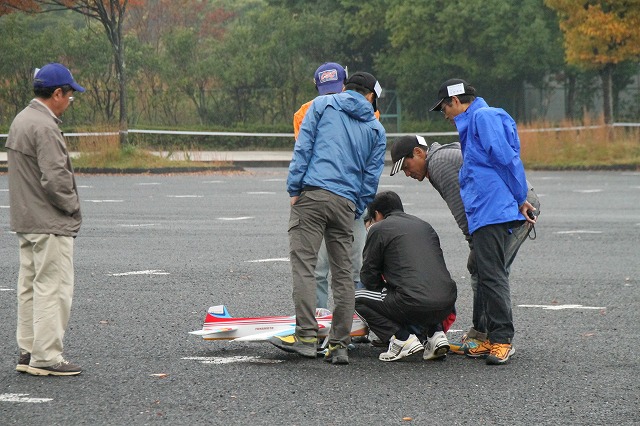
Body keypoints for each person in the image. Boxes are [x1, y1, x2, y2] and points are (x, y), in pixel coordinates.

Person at [271, 71, 386, 365]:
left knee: (305, 267)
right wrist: (356, 206)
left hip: (312, 195)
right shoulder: (376, 128)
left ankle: (307, 338)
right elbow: (371, 177)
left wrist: (294, 188)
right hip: (346, 203)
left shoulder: (321, 105)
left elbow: (304, 148)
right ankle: (339, 345)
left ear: (346, 87)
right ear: (370, 96)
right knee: (344, 275)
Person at [389, 135, 540, 355]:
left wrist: (476, 247)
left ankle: (495, 338)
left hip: (515, 209)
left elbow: (463, 212)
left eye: (406, 166)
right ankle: (482, 333)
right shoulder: (442, 156)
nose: (407, 173)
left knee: (490, 272)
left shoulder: (439, 164)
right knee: (482, 269)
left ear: (419, 153)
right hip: (509, 206)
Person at [429, 78, 537, 365]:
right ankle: (490, 338)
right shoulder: (474, 121)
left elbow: (506, 159)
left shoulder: (482, 117)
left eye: (444, 108)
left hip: (493, 209)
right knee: (487, 274)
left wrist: (520, 197)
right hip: (486, 209)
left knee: (493, 275)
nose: (445, 115)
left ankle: (502, 340)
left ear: (455, 101)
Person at [6, 62, 85, 376]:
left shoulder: (21, 119)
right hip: (49, 222)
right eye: (70, 96)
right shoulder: (46, 126)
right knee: (53, 288)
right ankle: (47, 357)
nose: (69, 101)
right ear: (57, 94)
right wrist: (72, 208)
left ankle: (28, 352)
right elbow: (55, 178)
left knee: (29, 287)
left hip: (25, 219)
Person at [293, 62, 375, 310]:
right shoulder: (306, 112)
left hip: (327, 194)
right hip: (344, 196)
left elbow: (304, 154)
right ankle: (333, 318)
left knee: (345, 266)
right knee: (337, 266)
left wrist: (295, 189)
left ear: (345, 86)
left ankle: (350, 317)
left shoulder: (311, 110)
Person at [355, 191, 457, 362]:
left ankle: (401, 339)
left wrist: (384, 287)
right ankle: (435, 334)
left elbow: (369, 276)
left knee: (354, 297)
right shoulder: (424, 225)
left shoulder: (379, 228)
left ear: (377, 214)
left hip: (413, 302)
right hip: (447, 301)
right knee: (421, 287)